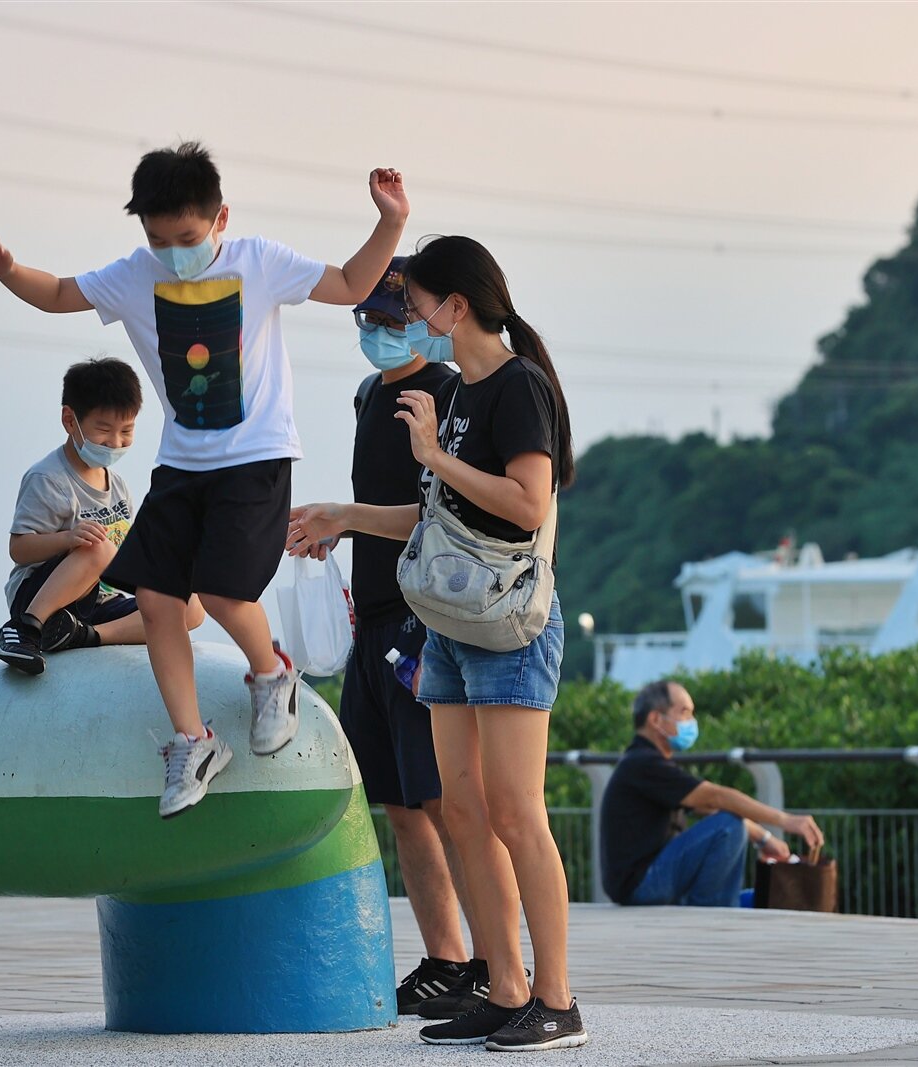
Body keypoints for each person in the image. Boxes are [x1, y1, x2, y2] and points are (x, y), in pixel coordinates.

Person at [0, 142, 408, 818]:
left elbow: (349, 283)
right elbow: (57, 294)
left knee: (222, 590)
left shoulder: (259, 261)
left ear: (220, 218)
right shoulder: (134, 275)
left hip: (254, 455)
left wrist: (390, 222)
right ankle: (194, 740)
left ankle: (273, 674)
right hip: (181, 462)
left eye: (188, 238)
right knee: (156, 597)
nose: (173, 252)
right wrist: (7, 270)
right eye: (159, 239)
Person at [287, 236, 586, 1051]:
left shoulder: (517, 385)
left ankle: (557, 998)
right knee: (462, 808)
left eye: (417, 305)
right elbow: (436, 516)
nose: (410, 319)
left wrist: (430, 456)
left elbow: (528, 503)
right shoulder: (462, 397)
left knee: (516, 809)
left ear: (457, 306)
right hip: (450, 627)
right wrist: (345, 516)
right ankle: (505, 985)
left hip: (510, 625)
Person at [297, 258, 482, 1016]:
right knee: (401, 803)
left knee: (443, 802)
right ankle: (446, 958)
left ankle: (494, 962)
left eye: (391, 317)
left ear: (426, 317)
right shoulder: (368, 394)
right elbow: (381, 508)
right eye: (365, 317)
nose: (376, 330)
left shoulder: (450, 394)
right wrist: (336, 531)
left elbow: (443, 514)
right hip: (371, 616)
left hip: (422, 618)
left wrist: (345, 516)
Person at [0, 358, 202, 674]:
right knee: (97, 548)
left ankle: (84, 636)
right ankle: (24, 631)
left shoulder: (118, 486)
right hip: (41, 598)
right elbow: (19, 548)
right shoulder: (48, 479)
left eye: (126, 430)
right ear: (70, 420)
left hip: (95, 604)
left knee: (190, 605)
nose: (115, 442)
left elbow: (124, 557)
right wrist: (68, 539)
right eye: (104, 430)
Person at [600, 680, 825, 908]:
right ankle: (714, 910)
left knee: (756, 897)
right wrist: (785, 820)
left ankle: (724, 905)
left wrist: (764, 839)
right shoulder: (643, 763)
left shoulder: (643, 762)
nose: (691, 722)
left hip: (646, 881)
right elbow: (716, 797)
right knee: (728, 826)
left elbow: (710, 807)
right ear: (656, 719)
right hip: (642, 884)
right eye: (684, 712)